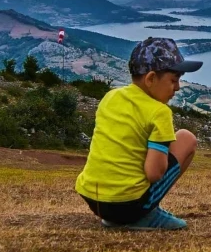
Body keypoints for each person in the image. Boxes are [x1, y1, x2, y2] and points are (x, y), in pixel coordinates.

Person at [75, 38, 202, 230]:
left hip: (94, 199)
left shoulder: (110, 97)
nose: (177, 88)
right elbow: (154, 173)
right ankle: (146, 214)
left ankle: (117, 217)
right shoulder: (159, 112)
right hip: (128, 204)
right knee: (186, 139)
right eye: (174, 80)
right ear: (150, 79)